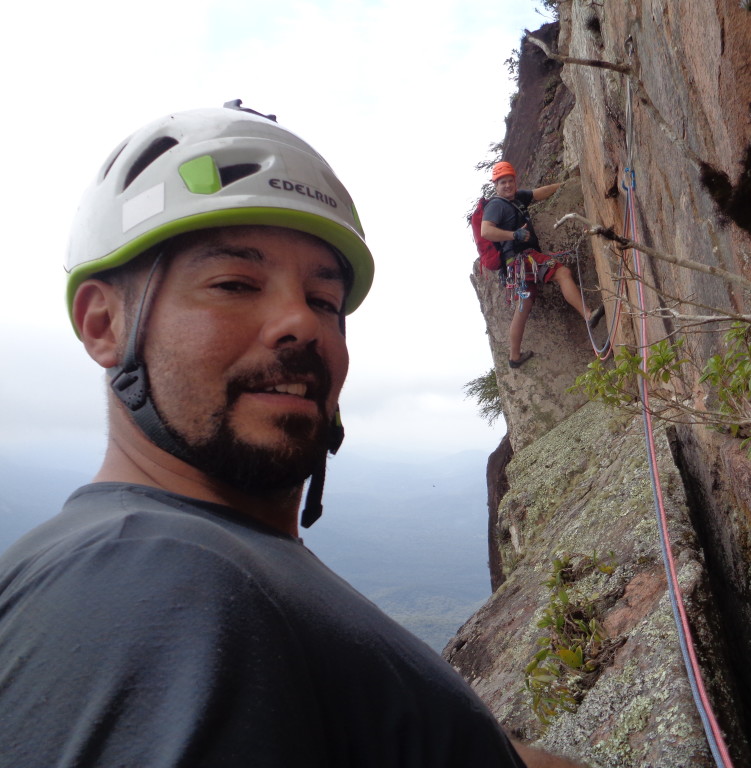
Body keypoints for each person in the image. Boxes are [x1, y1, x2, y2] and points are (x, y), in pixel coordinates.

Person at [0, 103, 588, 768]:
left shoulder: (203, 570)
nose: (301, 324)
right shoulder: (151, 583)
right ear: (103, 324)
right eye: (234, 283)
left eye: (324, 300)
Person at [480, 161, 590, 368]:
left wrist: (564, 185)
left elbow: (539, 193)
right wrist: (514, 234)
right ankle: (589, 315)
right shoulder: (496, 205)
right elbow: (486, 231)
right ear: (496, 185)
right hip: (524, 258)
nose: (507, 185)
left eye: (510, 181)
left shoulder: (518, 198)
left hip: (518, 269)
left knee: (524, 305)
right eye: (502, 182)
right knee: (562, 272)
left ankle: (514, 357)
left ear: (515, 181)